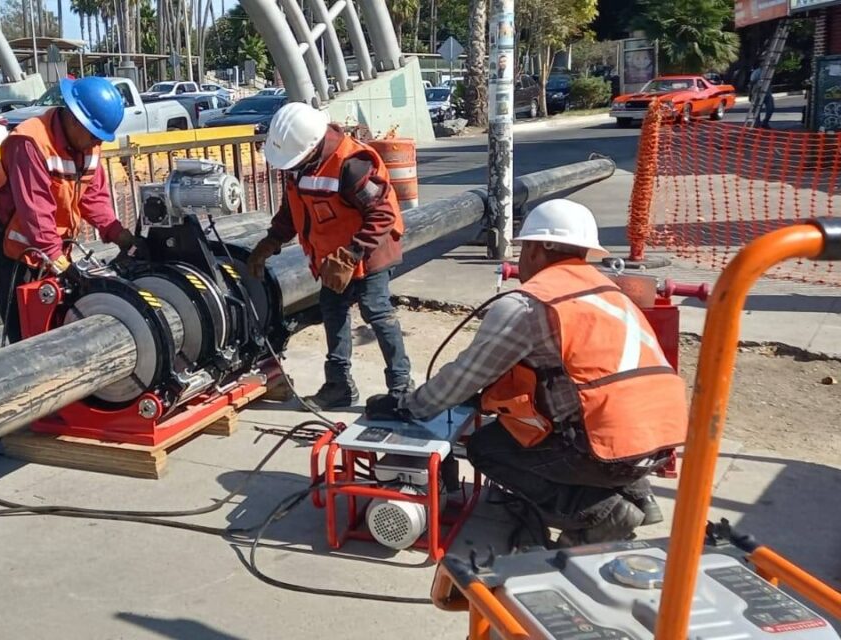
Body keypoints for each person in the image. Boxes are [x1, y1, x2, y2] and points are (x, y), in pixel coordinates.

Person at [365, 200, 687, 546]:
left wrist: (408, 406)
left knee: (488, 447)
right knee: (575, 418)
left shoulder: (530, 304)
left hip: (608, 452)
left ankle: (600, 512)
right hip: (662, 442)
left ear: (534, 249)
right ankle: (639, 494)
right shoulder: (610, 292)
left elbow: (462, 378)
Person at [247, 102, 413, 409]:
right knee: (332, 310)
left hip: (369, 251)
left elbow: (382, 215)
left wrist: (351, 255)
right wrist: (270, 242)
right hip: (332, 258)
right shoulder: (302, 166)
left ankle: (402, 388)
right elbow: (292, 210)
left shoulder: (352, 164)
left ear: (312, 146)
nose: (290, 167)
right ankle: (339, 386)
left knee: (376, 312)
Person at [0, 76, 142, 342]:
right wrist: (60, 261)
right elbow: (35, 209)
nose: (96, 144)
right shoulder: (30, 142)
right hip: (17, 254)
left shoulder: (88, 146)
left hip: (52, 250)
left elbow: (94, 197)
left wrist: (118, 234)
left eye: (101, 138)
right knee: (27, 336)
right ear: (75, 119)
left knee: (60, 328)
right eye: (93, 135)